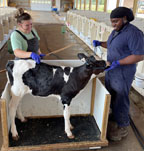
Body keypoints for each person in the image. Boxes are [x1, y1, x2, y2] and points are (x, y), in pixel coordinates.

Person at [93, 7, 144, 141]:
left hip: (123, 72)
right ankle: (114, 116)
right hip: (112, 70)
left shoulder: (134, 33)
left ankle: (123, 126)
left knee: (121, 97)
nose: (113, 24)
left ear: (125, 19)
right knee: (112, 94)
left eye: (115, 21)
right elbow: (113, 45)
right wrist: (101, 43)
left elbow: (139, 55)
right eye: (112, 21)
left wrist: (119, 62)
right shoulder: (116, 31)